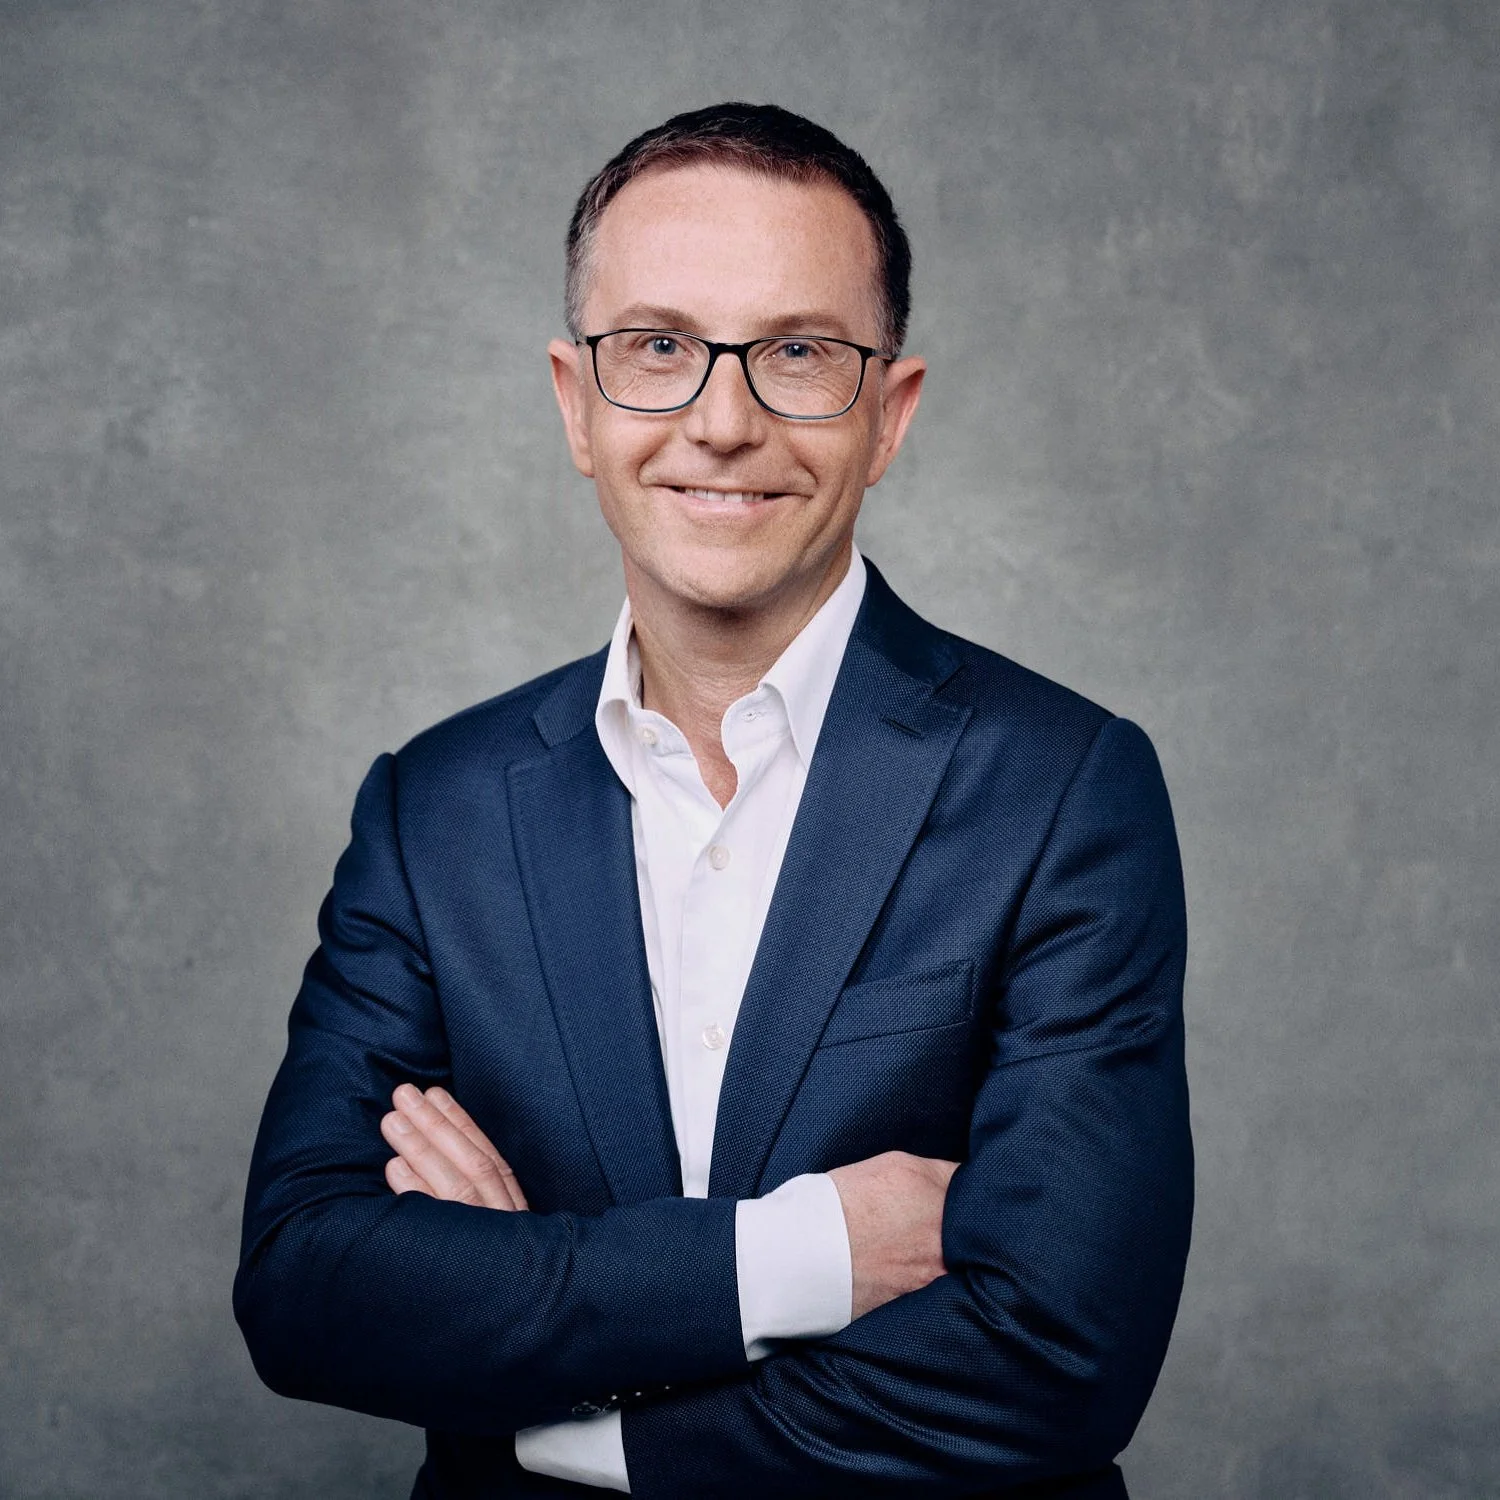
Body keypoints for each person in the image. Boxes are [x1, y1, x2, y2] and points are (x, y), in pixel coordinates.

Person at [234, 102, 1193, 1499]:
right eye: (659, 350)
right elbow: (308, 1286)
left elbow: (1056, 1356)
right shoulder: (430, 812)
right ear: (577, 402)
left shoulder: (1066, 790)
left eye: (800, 353)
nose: (724, 422)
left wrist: (553, 1390)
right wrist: (806, 1257)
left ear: (889, 414)